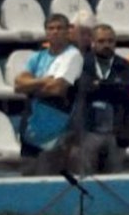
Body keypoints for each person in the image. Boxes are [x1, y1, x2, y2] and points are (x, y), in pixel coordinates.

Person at [14, 13, 84, 176]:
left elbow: (57, 89)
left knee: (47, 175)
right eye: (51, 28)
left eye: (59, 28)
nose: (55, 32)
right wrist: (44, 81)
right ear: (46, 32)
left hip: (57, 124)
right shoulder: (37, 57)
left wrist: (31, 85)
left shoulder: (73, 56)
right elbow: (18, 85)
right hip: (32, 122)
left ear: (68, 31)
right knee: (27, 174)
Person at [77, 24, 129, 175]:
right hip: (87, 130)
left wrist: (98, 85)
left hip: (116, 131)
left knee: (114, 178)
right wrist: (111, 85)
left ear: (115, 43)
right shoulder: (81, 64)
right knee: (86, 177)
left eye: (110, 41)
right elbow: (82, 88)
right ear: (93, 42)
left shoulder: (124, 66)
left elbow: (126, 91)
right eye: (101, 41)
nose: (106, 45)